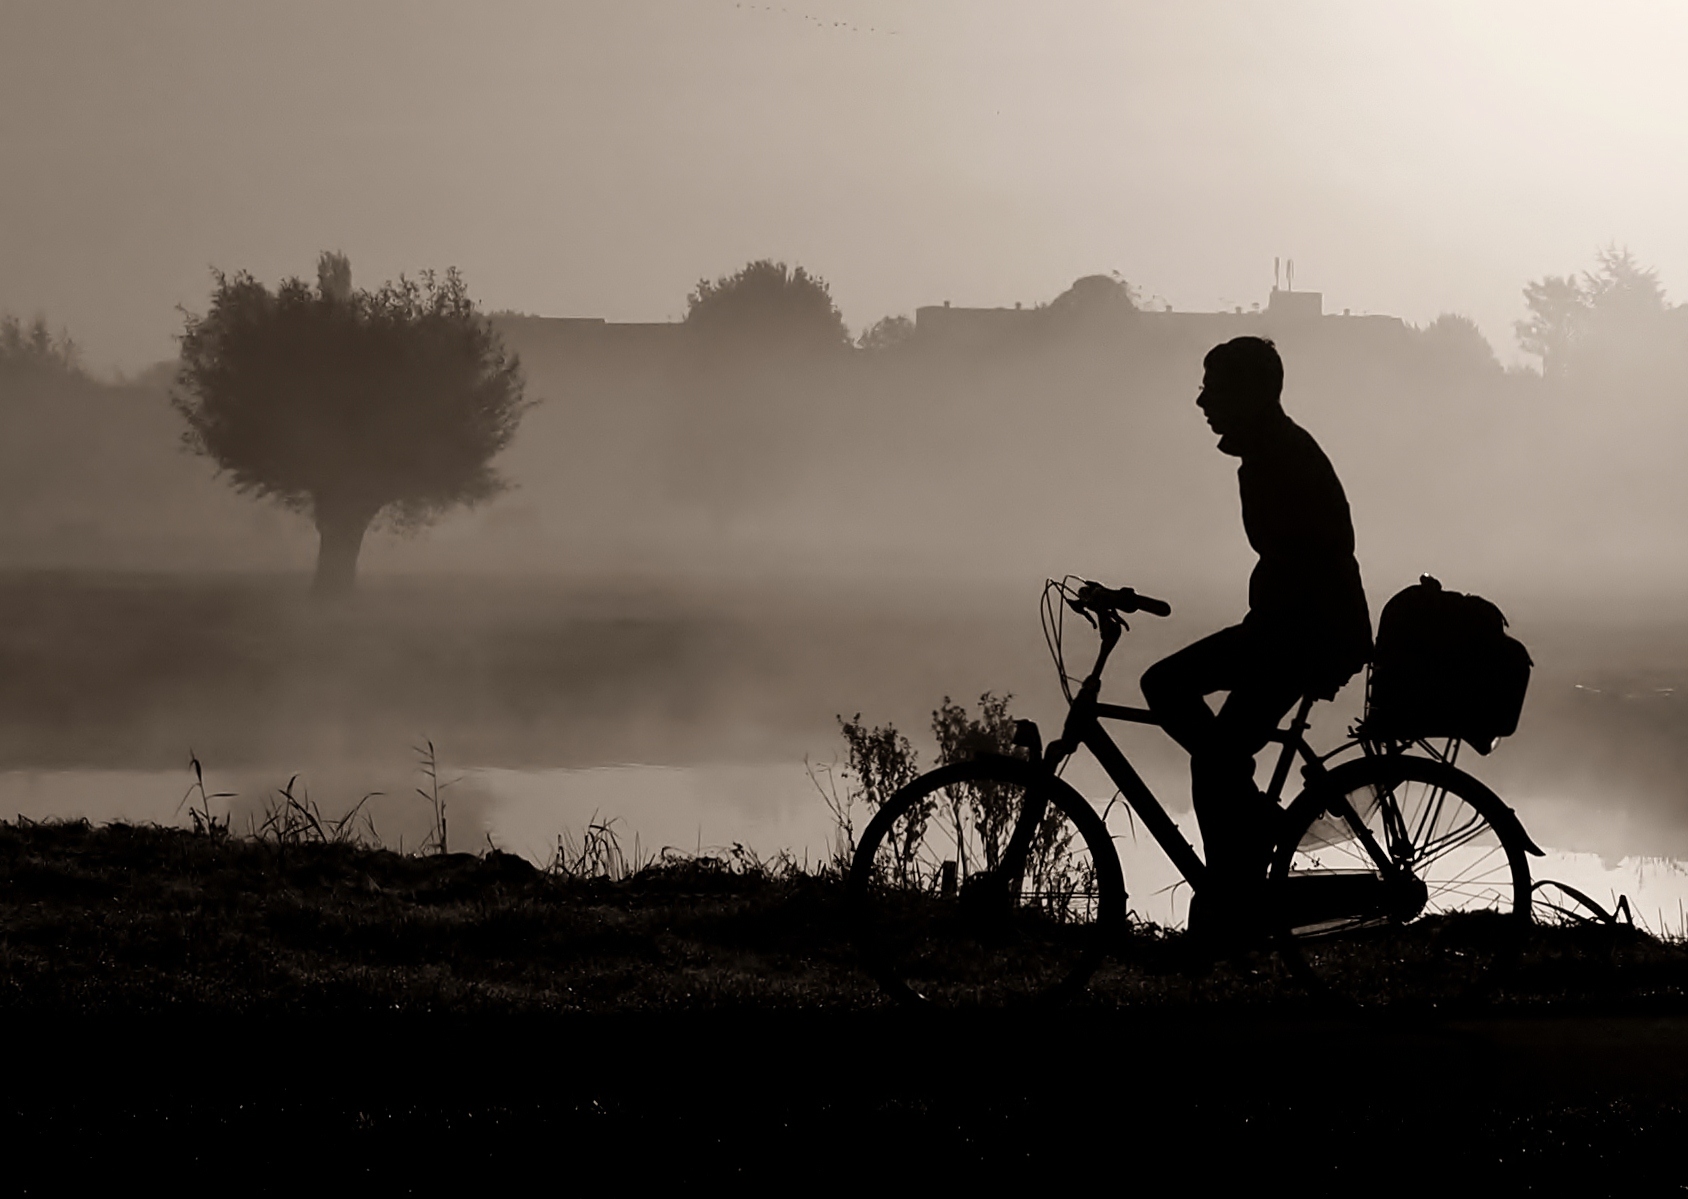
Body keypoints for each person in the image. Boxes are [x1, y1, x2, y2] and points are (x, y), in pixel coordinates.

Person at [1138, 336, 1371, 941]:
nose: (1202, 401)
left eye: (1213, 388)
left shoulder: (1280, 456)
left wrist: (1277, 636)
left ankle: (1240, 882)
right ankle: (1236, 888)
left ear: (1250, 393)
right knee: (1211, 754)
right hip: (1293, 628)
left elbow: (1313, 558)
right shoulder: (1271, 450)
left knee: (1188, 719)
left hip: (1303, 632)